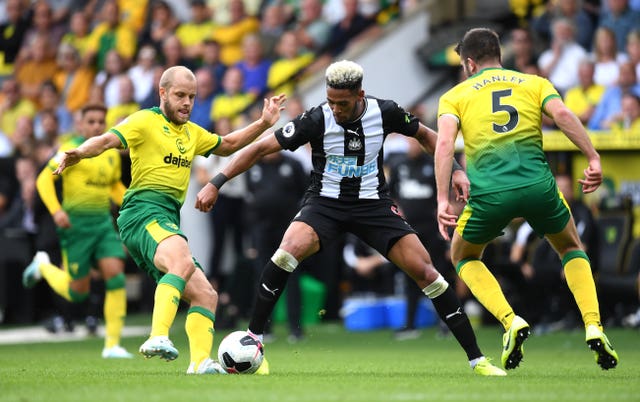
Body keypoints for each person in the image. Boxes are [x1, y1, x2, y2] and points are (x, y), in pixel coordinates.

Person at [196, 59, 507, 377]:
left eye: (342, 103)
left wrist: (455, 169)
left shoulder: (385, 112)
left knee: (427, 272)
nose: (335, 109)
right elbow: (259, 148)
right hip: (324, 204)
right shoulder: (316, 118)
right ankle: (254, 339)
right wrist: (216, 183)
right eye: (330, 101)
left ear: (360, 94)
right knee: (285, 252)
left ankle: (477, 360)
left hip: (373, 205)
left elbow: (429, 137)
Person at [50, 65, 286, 375]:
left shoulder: (192, 132)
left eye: (191, 96)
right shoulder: (145, 121)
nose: (186, 102)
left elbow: (228, 144)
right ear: (162, 93)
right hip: (142, 212)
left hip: (165, 219)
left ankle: (200, 362)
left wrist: (263, 123)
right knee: (183, 261)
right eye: (179, 95)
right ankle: (157, 336)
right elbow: (107, 140)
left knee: (206, 294)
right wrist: (78, 153)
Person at [434, 27, 619, 371]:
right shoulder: (534, 83)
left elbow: (444, 145)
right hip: (539, 189)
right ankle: (593, 324)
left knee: (463, 256)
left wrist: (443, 199)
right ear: (500, 56)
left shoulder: (455, 96)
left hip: (489, 195)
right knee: (571, 248)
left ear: (470, 63)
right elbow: (563, 116)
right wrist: (593, 157)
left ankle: (510, 321)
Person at [22, 103, 132, 358]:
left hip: (103, 224)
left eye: (100, 121)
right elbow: (43, 179)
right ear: (80, 124)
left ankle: (112, 345)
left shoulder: (111, 152)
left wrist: (129, 201)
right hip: (75, 226)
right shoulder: (70, 150)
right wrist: (56, 210)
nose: (96, 126)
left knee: (115, 275)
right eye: (90, 121)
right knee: (77, 292)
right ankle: (43, 267)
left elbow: (113, 184)